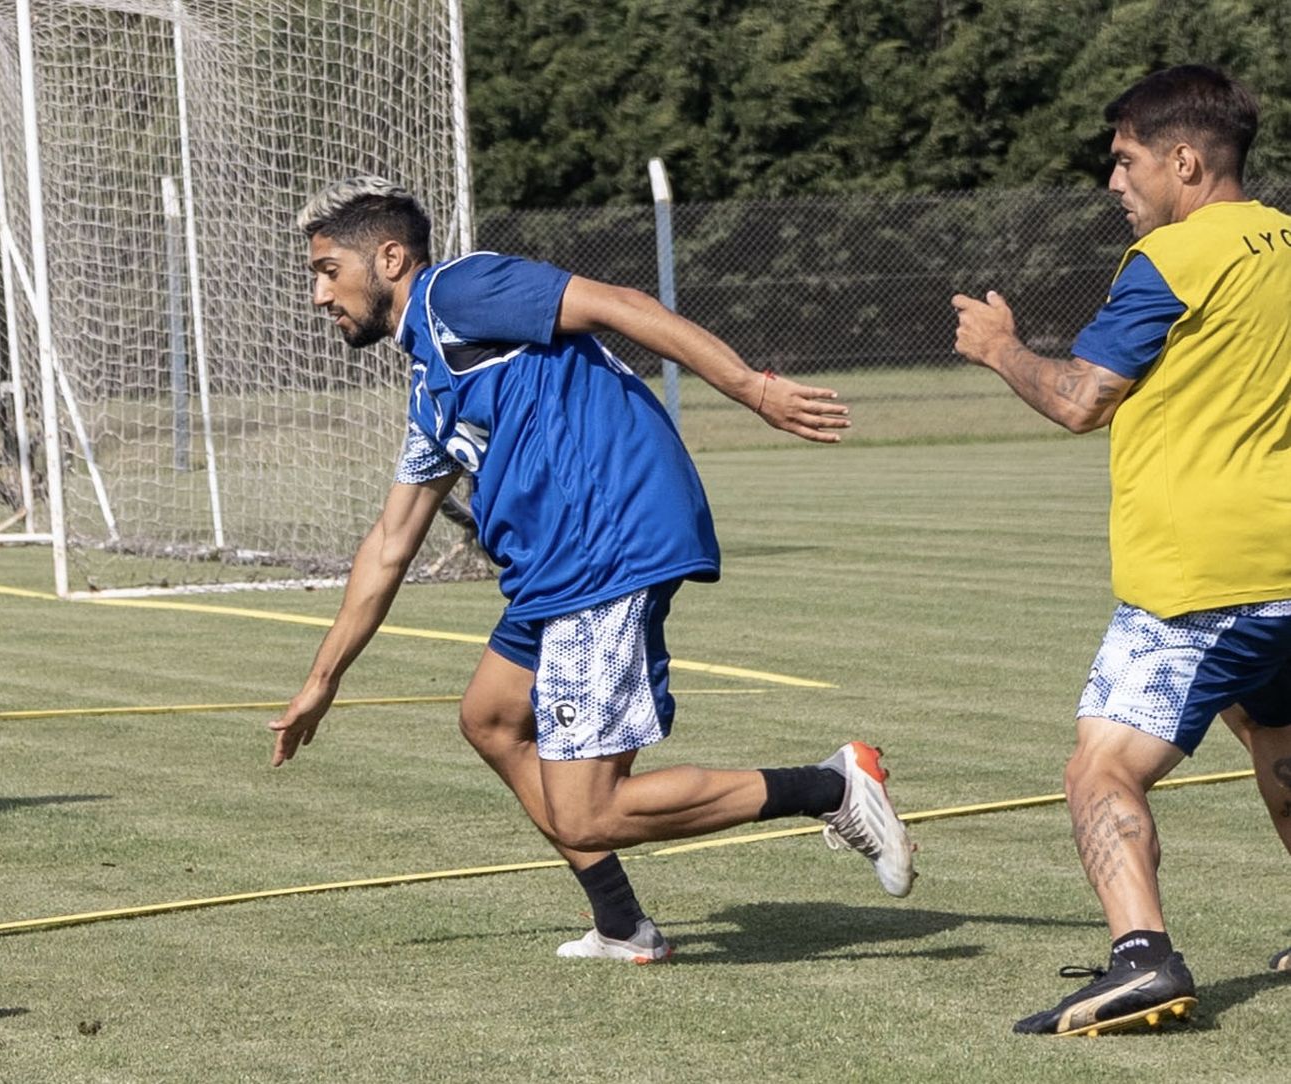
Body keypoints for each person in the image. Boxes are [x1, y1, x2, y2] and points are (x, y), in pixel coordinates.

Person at [270, 175, 916, 963]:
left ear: (391, 258)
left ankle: (837, 786)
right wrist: (323, 679)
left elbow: (617, 302)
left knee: (588, 813)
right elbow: (389, 543)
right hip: (555, 570)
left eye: (328, 269)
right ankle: (622, 925)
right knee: (491, 719)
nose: (316, 293)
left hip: (605, 546)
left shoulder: (459, 291)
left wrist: (751, 388)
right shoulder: (431, 387)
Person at [952, 65, 1291, 1035]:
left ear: (1185, 160)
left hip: (1200, 572)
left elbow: (1079, 398)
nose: (1114, 182)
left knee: (1100, 769)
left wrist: (1000, 348)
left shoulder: (1175, 260)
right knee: (1276, 739)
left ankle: (1141, 959)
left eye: (1125, 159)